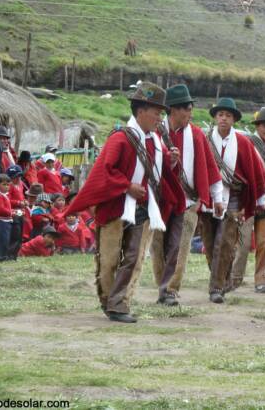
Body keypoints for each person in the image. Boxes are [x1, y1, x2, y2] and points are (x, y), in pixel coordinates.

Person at [65, 82, 185, 323]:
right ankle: (109, 299)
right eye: (156, 112)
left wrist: (170, 162)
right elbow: (105, 171)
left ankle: (120, 304)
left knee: (133, 258)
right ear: (141, 111)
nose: (159, 118)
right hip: (115, 208)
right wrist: (127, 186)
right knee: (109, 259)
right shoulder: (120, 140)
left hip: (142, 210)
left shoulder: (155, 143)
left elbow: (158, 174)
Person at [151, 84, 222, 306]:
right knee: (157, 246)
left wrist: (217, 198)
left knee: (180, 247)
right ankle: (162, 288)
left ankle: (171, 290)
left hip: (188, 201)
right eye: (187, 109)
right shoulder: (153, 133)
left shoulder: (198, 135)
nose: (190, 113)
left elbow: (211, 169)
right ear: (173, 110)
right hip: (159, 200)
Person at [200, 97, 265, 304]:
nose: (223, 119)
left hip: (233, 200)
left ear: (234, 120)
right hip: (209, 199)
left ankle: (216, 288)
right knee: (210, 243)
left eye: (228, 116)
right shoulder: (204, 139)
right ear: (215, 117)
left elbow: (256, 172)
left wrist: (259, 200)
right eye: (220, 115)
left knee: (225, 242)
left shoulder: (243, 143)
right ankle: (223, 278)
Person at [231, 107, 265, 294]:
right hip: (248, 200)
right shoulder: (246, 144)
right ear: (258, 126)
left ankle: (263, 280)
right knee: (243, 243)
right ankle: (233, 278)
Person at [7, 165, 26, 259]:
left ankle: (15, 254)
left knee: (20, 235)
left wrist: (24, 202)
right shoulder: (9, 186)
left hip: (21, 212)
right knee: (15, 233)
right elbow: (7, 200)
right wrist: (19, 202)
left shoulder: (20, 184)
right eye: (15, 176)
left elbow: (21, 196)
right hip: (13, 212)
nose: (18, 178)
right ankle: (10, 254)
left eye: (19, 176)